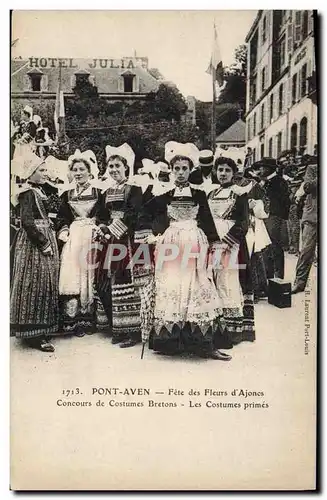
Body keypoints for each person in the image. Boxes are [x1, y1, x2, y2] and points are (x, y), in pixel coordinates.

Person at [149, 142, 231, 360]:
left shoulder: (199, 193)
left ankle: (203, 344)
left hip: (195, 243)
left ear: (191, 169)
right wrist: (154, 234)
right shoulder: (163, 194)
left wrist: (215, 244)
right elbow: (152, 217)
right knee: (173, 286)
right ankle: (170, 343)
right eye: (177, 168)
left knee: (197, 285)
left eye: (185, 168)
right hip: (172, 243)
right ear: (171, 169)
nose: (181, 172)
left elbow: (206, 221)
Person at [10, 152, 60, 352]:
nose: (45, 173)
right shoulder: (27, 193)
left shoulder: (40, 191)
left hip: (45, 237)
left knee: (45, 283)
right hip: (34, 244)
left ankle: (42, 329)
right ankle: (34, 334)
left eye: (46, 169)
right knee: (35, 284)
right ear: (31, 173)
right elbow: (27, 223)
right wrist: (43, 242)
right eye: (42, 170)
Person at [96, 143, 143, 348]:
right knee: (106, 280)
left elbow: (134, 214)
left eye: (117, 165)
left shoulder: (135, 189)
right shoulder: (106, 191)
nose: (114, 169)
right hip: (109, 241)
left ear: (126, 167)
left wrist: (111, 229)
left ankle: (132, 331)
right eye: (111, 166)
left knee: (126, 281)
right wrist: (101, 227)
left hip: (127, 240)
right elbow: (100, 215)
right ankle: (116, 327)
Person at [57, 149, 106, 335]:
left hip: (92, 236)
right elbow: (62, 218)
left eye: (81, 169)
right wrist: (64, 230)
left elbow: (104, 216)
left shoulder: (99, 193)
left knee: (90, 274)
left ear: (89, 171)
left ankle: (89, 320)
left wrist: (100, 227)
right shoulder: (66, 194)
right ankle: (73, 321)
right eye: (75, 170)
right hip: (74, 236)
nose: (78, 173)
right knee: (73, 274)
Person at [206, 156, 254, 345]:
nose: (223, 173)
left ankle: (232, 330)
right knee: (213, 280)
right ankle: (216, 328)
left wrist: (227, 242)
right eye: (220, 170)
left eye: (227, 170)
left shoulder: (239, 193)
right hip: (212, 242)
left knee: (229, 280)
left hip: (231, 245)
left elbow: (244, 222)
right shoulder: (210, 193)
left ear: (234, 173)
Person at [258, 157, 291, 280]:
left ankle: (278, 278)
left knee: (275, 248)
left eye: (262, 167)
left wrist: (280, 217)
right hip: (268, 217)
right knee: (267, 248)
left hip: (274, 217)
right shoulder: (268, 182)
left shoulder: (278, 182)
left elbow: (285, 202)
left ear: (268, 168)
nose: (260, 170)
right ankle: (269, 277)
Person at [292, 156, 318, 293]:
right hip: (312, 218)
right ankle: (300, 282)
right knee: (307, 251)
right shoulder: (312, 169)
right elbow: (307, 187)